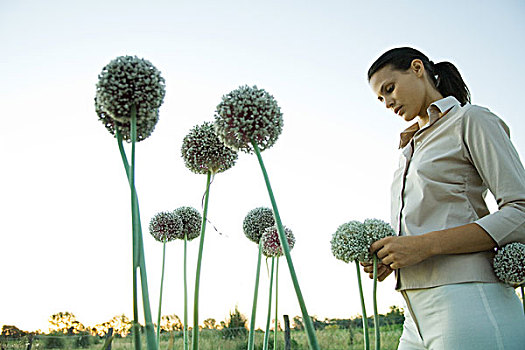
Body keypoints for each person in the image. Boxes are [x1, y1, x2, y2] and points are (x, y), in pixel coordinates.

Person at [363, 47, 525, 350]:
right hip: (413, 313)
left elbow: (521, 211)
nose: (387, 103)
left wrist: (424, 246)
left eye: (389, 88)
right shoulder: (409, 148)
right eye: (380, 99)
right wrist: (394, 258)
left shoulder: (471, 120)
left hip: (468, 299)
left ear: (417, 68)